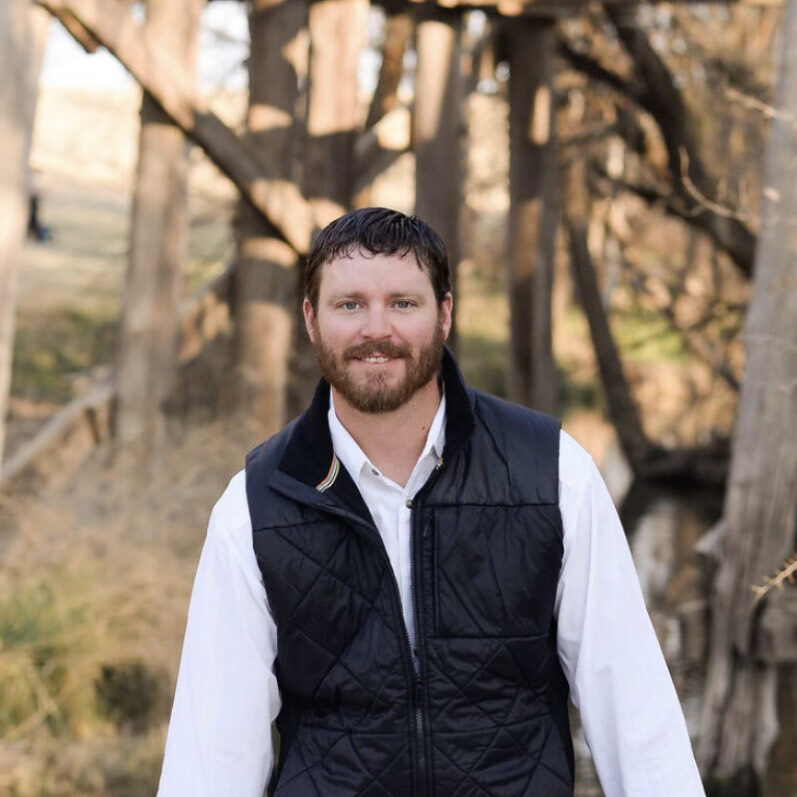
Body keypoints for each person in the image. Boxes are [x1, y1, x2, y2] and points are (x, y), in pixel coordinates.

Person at [158, 207, 704, 796]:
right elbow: (212, 753)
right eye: (350, 305)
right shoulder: (256, 505)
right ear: (311, 319)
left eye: (403, 303)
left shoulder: (552, 472)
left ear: (444, 313)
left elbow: (632, 706)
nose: (376, 329)